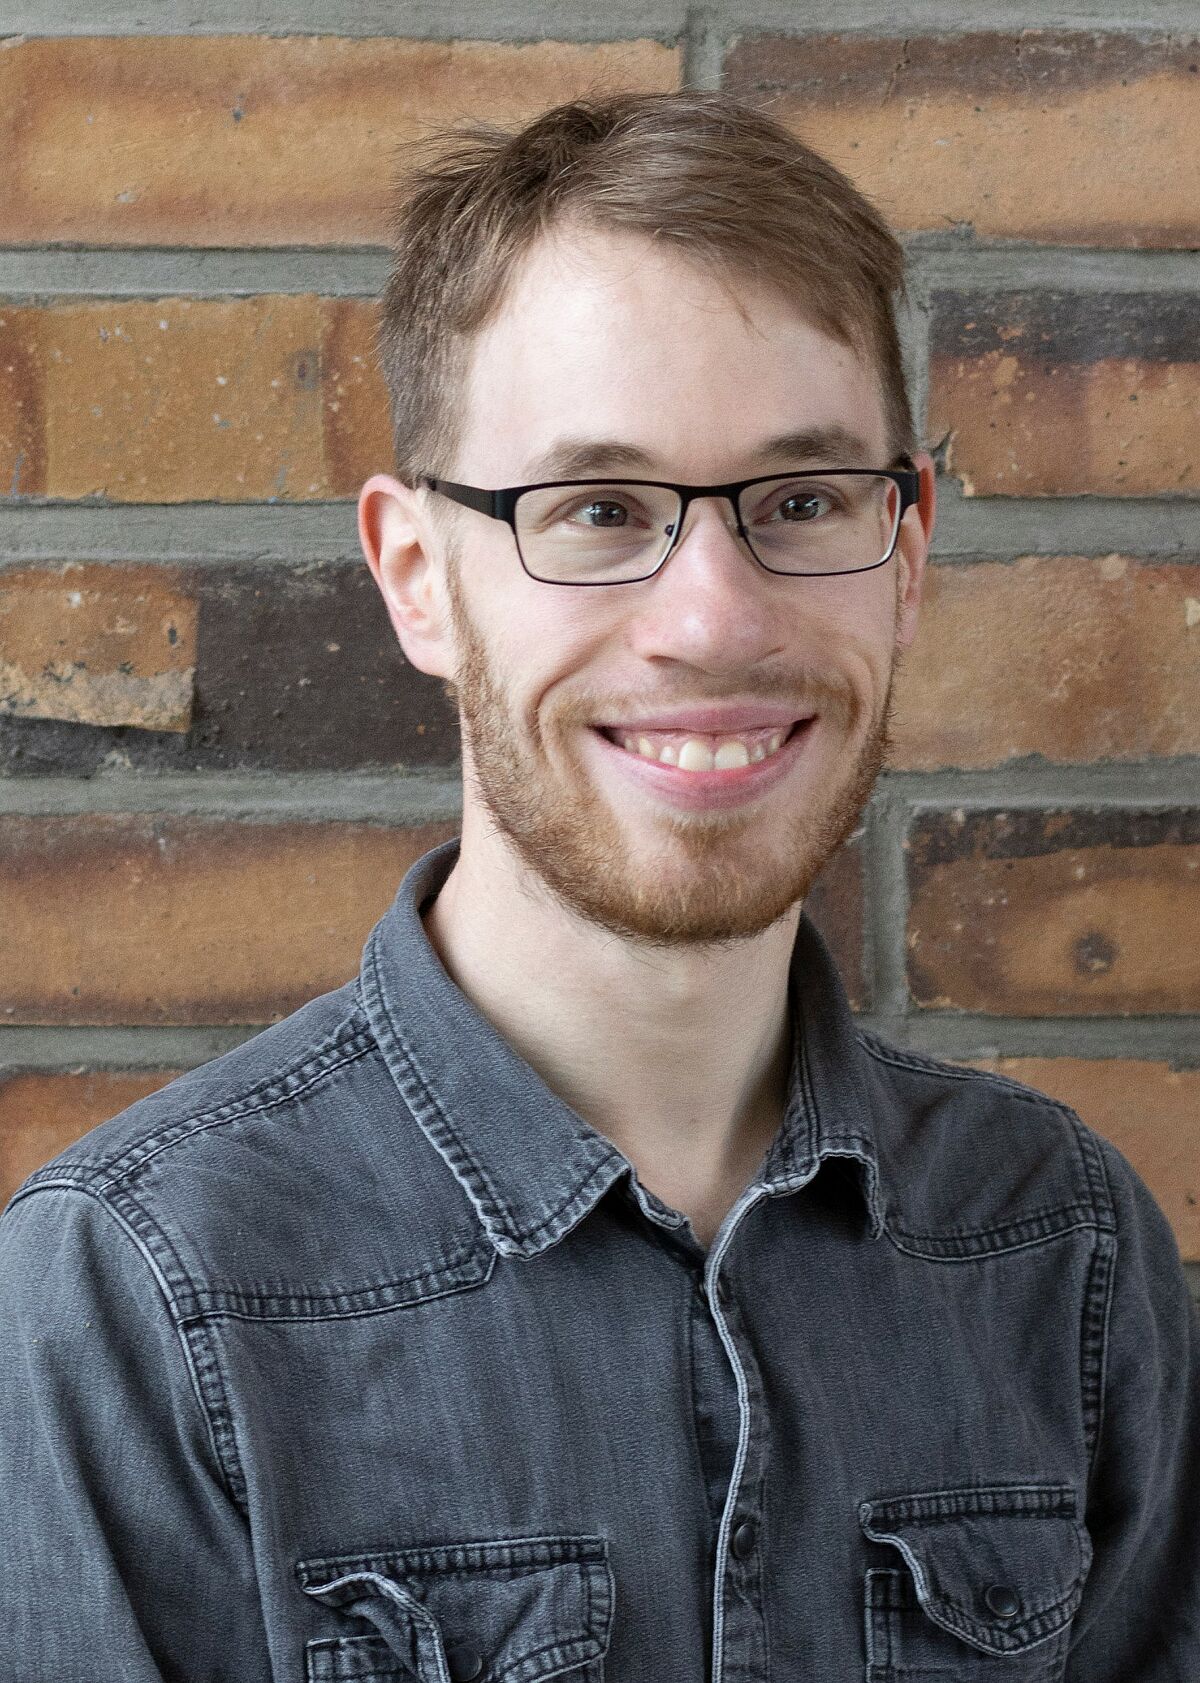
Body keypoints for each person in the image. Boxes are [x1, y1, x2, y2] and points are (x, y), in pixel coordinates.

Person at [1, 89, 1196, 1683]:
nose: (710, 619)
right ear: (420, 578)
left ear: (904, 554)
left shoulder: (1066, 1252)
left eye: (800, 503)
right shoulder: (133, 1300)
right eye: (599, 511)